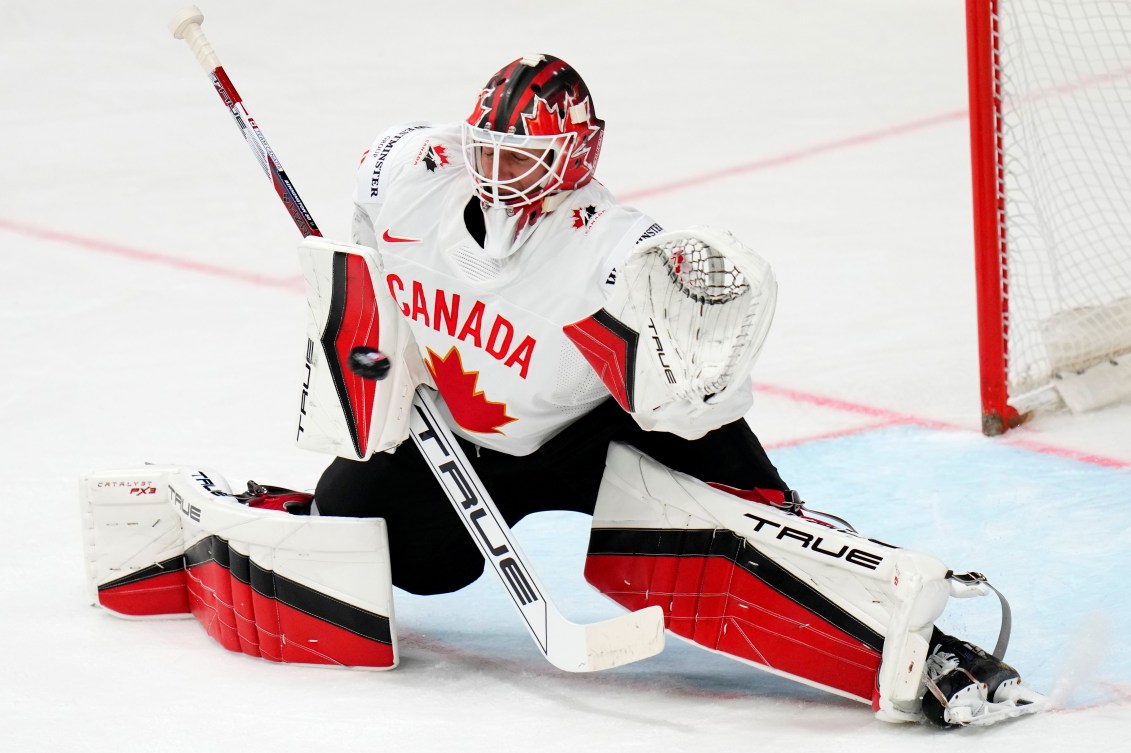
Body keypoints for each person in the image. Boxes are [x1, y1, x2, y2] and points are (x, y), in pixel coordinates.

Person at [309, 53, 1032, 726]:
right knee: (366, 532)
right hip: (464, 436)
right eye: (487, 151)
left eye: (522, 159)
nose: (497, 175)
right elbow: (365, 254)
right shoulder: (407, 173)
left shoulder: (614, 247)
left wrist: (692, 380)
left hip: (594, 430)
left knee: (756, 519)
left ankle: (913, 636)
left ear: (575, 157)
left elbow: (695, 395)